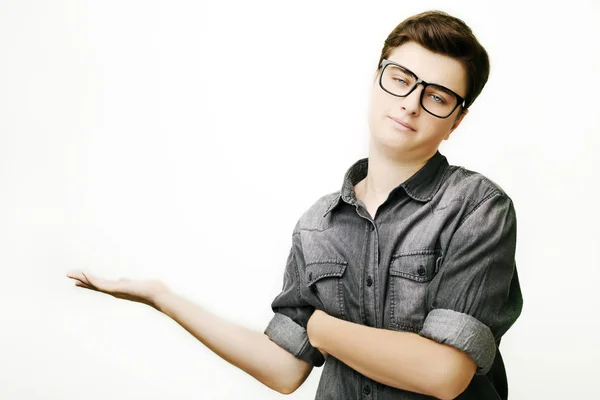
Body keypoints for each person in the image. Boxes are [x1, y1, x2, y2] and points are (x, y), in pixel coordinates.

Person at [67, 9, 523, 399]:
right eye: (401, 79)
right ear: (377, 79)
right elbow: (285, 368)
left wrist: (324, 330)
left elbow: (444, 374)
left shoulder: (478, 206)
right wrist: (161, 298)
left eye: (437, 97)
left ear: (457, 120)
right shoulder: (316, 226)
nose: (410, 104)